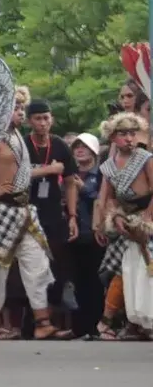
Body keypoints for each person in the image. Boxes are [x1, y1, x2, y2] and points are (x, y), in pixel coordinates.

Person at [0, 91, 69, 340]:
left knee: (37, 264)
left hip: (25, 210)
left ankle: (43, 323)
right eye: (14, 107)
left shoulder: (16, 135)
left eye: (20, 107)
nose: (19, 111)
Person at [94, 112, 153, 339]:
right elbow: (106, 197)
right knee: (125, 272)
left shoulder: (145, 158)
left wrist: (147, 220)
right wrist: (111, 220)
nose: (129, 138)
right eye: (123, 133)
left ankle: (143, 323)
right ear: (112, 137)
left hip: (147, 218)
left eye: (132, 133)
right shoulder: (108, 166)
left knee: (146, 271)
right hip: (124, 221)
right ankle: (124, 323)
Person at [24, 99, 78, 332]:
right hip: (26, 211)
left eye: (47, 118)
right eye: (38, 118)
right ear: (29, 121)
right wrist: (48, 170)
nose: (43, 123)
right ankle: (32, 322)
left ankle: (52, 318)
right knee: (31, 266)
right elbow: (17, 176)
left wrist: (73, 215)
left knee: (58, 266)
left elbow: (70, 182)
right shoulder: (23, 144)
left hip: (54, 212)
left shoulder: (60, 146)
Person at [67, 132, 105, 338]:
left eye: (85, 147)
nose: (80, 150)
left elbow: (104, 200)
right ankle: (78, 328)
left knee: (94, 282)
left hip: (94, 235)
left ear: (94, 151)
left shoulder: (101, 175)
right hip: (72, 236)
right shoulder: (68, 174)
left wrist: (83, 190)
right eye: (76, 147)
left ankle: (95, 327)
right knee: (76, 282)